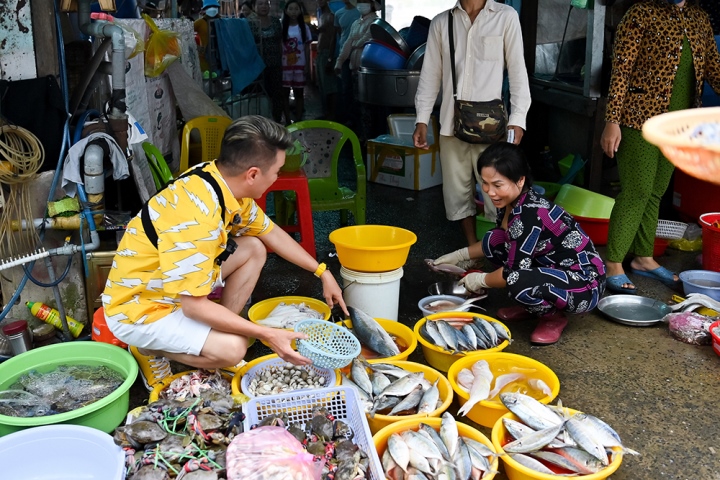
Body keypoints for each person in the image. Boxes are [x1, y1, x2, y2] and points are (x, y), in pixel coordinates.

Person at [102, 115, 349, 390]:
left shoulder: (220, 182)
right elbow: (192, 306)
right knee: (234, 349)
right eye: (277, 170)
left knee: (254, 248)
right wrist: (267, 334)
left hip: (170, 287)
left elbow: (270, 232)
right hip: (139, 309)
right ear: (253, 174)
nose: (278, 176)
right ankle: (149, 349)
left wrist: (322, 272)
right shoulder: (199, 219)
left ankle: (211, 337)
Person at [600, 0, 720, 294]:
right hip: (637, 119)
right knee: (637, 191)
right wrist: (612, 120)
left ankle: (643, 258)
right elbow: (622, 70)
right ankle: (613, 263)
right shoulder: (641, 13)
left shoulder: (699, 18)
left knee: (656, 191)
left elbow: (714, 69)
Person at [433, 143, 606, 345]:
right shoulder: (511, 201)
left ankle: (552, 317)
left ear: (520, 180)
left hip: (583, 283)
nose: (490, 192)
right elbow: (500, 239)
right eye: (485, 183)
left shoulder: (528, 216)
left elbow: (511, 272)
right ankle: (531, 305)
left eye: (497, 185)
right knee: (494, 239)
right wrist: (461, 255)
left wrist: (481, 280)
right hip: (553, 267)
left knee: (517, 281)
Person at [413, 0, 531, 251]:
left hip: (493, 129)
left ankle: (498, 250)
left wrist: (518, 119)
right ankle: (472, 249)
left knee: (497, 192)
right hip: (450, 125)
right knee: (456, 195)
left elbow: (519, 72)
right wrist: (421, 119)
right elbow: (430, 74)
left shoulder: (505, 16)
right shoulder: (442, 22)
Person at [333, 0, 380, 137]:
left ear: (372, 5)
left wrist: (354, 43)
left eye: (365, 2)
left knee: (367, 105)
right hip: (354, 69)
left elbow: (365, 39)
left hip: (366, 70)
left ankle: (367, 136)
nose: (361, 5)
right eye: (360, 2)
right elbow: (348, 43)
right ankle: (359, 133)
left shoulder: (375, 22)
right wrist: (339, 62)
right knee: (356, 102)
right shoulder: (356, 23)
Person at [253, 0, 285, 123]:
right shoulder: (250, 23)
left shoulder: (276, 22)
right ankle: (262, 124)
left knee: (277, 95)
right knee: (260, 95)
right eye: (260, 4)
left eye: (266, 3)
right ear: (254, 7)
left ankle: (277, 122)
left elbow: (280, 42)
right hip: (258, 67)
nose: (264, 6)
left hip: (275, 64)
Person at [281, 0, 313, 124]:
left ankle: (299, 120)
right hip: (285, 65)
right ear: (286, 10)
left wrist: (307, 65)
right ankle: (288, 120)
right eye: (291, 9)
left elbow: (306, 47)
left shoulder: (304, 28)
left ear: (300, 11)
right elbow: (280, 46)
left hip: (300, 65)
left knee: (299, 92)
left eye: (296, 9)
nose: (293, 12)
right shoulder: (281, 26)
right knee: (285, 93)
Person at [333, 0, 361, 125]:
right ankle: (349, 118)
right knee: (346, 88)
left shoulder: (360, 11)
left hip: (359, 55)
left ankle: (358, 118)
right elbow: (340, 34)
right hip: (344, 55)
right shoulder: (338, 13)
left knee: (359, 89)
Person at [315, 0, 338, 120]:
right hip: (320, 53)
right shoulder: (321, 15)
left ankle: (332, 116)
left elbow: (333, 38)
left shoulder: (331, 15)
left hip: (326, 54)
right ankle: (326, 113)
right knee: (323, 86)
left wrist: (330, 58)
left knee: (330, 87)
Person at [194, 0, 221, 73]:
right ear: (205, 9)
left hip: (220, 55)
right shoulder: (200, 22)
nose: (212, 8)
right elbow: (187, 31)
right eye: (209, 7)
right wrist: (197, 47)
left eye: (214, 6)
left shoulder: (222, 21)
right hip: (204, 57)